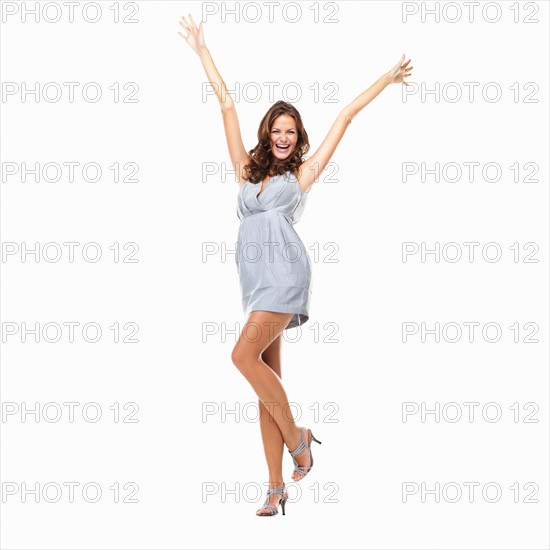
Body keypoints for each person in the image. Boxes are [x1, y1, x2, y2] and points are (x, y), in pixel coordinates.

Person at [178, 12, 413, 517]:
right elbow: (225, 103)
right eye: (277, 130)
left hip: (285, 277)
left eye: (291, 131)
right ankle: (274, 487)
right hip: (254, 285)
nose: (284, 137)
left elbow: (346, 115)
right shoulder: (246, 170)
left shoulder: (301, 176)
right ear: (268, 134)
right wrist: (202, 52)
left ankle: (299, 436)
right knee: (266, 383)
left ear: (297, 136)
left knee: (242, 358)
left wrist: (388, 79)